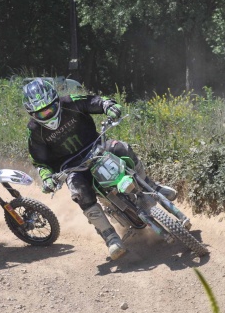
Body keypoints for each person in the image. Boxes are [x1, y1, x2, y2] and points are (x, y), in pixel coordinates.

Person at [23, 77, 177, 260]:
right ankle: (111, 238)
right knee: (79, 193)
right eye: (40, 114)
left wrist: (109, 106)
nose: (47, 114)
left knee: (122, 147)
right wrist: (47, 178)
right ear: (32, 114)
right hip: (71, 167)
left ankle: (153, 187)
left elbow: (94, 101)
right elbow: (40, 162)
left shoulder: (70, 102)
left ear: (56, 101)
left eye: (49, 108)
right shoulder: (34, 132)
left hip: (96, 146)